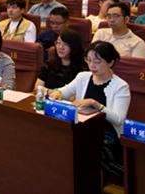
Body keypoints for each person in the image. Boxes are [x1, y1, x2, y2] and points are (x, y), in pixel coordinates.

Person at [50, 41, 131, 183]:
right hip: (83, 130)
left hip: (108, 137)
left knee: (87, 153)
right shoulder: (83, 77)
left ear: (111, 62)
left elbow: (119, 119)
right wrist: (57, 93)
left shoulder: (121, 87)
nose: (92, 65)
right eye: (89, 60)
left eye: (97, 62)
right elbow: (64, 91)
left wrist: (96, 105)